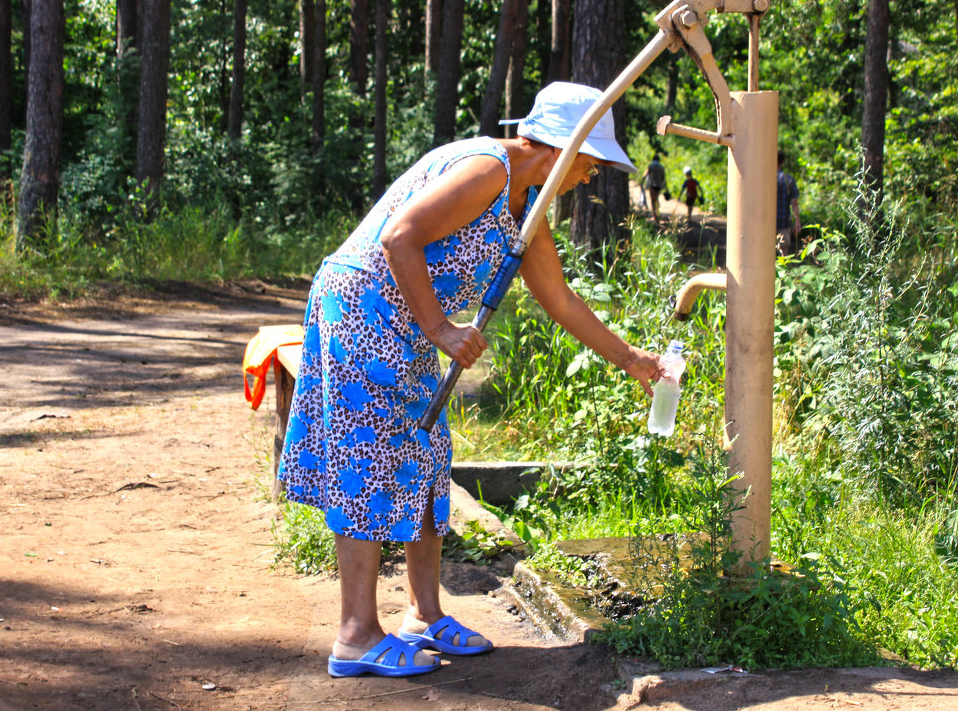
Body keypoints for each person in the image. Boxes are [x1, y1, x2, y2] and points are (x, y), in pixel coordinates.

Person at [277, 82, 664, 679]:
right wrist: (440, 326)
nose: (591, 176)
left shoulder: (527, 204)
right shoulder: (489, 168)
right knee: (368, 458)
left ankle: (424, 615)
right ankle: (355, 634)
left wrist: (632, 358)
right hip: (361, 310)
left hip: (401, 327)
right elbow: (398, 237)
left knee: (424, 454)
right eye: (591, 162)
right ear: (562, 147)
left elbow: (558, 297)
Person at [776, 151, 801, 256]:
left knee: (765, 252)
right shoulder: (788, 179)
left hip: (765, 222)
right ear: (783, 162)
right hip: (783, 221)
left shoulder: (763, 178)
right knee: (784, 251)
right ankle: (784, 271)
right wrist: (797, 222)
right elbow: (794, 204)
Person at [644, 153, 667, 220]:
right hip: (659, 185)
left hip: (652, 185)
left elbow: (646, 174)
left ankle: (654, 215)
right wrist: (664, 186)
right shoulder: (661, 167)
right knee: (656, 199)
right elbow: (663, 177)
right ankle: (658, 212)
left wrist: (642, 181)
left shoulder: (651, 166)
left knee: (652, 200)